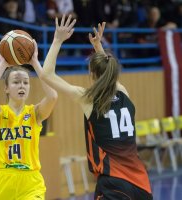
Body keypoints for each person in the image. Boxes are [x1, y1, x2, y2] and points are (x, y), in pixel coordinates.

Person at [39, 15, 152, 199]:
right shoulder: (123, 92)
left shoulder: (88, 98)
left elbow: (46, 75)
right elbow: (108, 74)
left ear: (91, 72)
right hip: (141, 183)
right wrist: (98, 47)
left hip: (113, 181)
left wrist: (57, 40)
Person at [0, 40, 58, 199]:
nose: (22, 86)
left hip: (30, 180)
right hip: (1, 179)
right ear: (6, 88)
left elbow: (52, 96)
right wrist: (2, 65)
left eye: (26, 82)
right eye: (16, 82)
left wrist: (35, 63)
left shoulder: (34, 113)